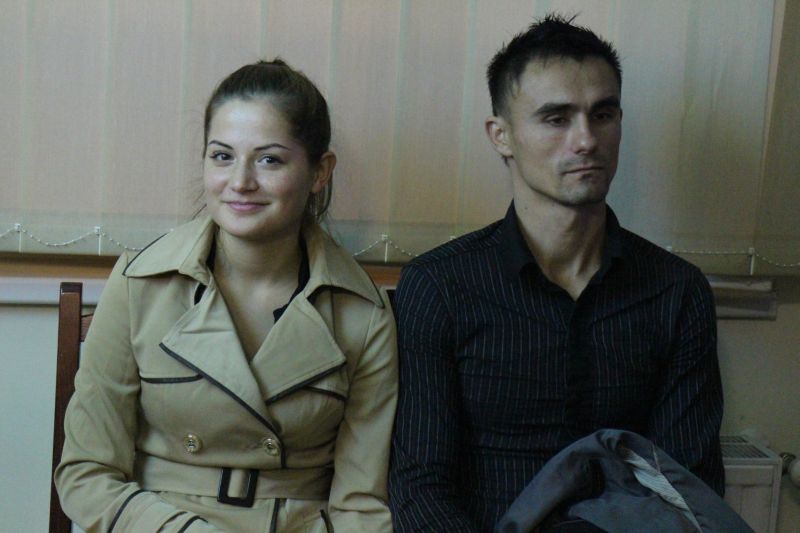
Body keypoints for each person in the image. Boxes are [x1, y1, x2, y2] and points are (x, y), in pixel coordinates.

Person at [388, 14, 724, 532]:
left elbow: (687, 485)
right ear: (502, 136)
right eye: (556, 118)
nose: (586, 140)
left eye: (603, 114)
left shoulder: (677, 290)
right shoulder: (440, 286)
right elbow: (419, 486)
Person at [55, 59, 397, 532]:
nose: (240, 182)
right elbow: (87, 475)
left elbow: (362, 506)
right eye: (222, 156)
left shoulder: (363, 312)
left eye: (269, 160)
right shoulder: (139, 284)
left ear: (320, 171)